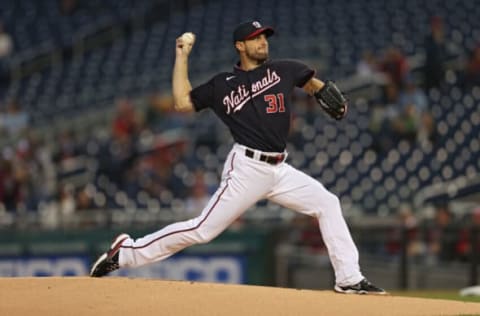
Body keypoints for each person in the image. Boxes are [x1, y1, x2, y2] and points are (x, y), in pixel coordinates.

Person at [90, 20, 386, 295]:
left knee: (327, 203)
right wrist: (182, 57)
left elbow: (310, 82)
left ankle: (349, 278)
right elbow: (182, 102)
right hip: (247, 168)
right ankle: (126, 252)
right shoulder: (223, 84)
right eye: (254, 38)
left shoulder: (285, 69)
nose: (262, 42)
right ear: (240, 46)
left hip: (279, 168)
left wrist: (324, 94)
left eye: (264, 37)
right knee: (202, 230)